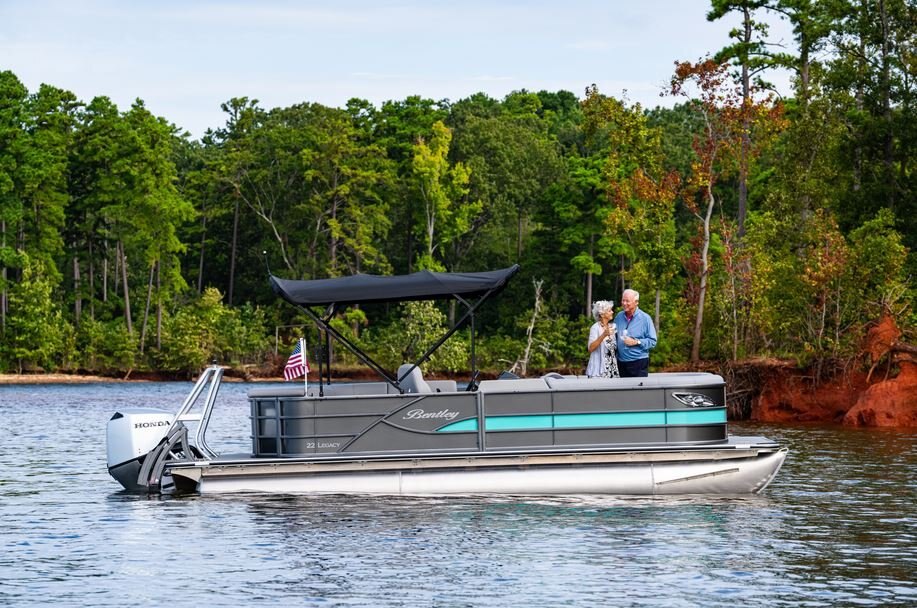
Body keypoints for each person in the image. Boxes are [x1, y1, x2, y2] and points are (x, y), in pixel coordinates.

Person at [613, 289, 657, 377]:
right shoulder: (618, 317)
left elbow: (653, 341)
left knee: (638, 391)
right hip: (620, 363)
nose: (624, 303)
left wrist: (636, 342)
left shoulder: (645, 318)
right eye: (623, 300)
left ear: (636, 302)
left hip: (638, 363)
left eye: (627, 301)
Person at [586, 300, 620, 378]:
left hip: (612, 369)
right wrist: (603, 335)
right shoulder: (595, 328)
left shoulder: (613, 326)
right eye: (609, 310)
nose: (612, 312)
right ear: (602, 314)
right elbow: (590, 348)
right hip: (598, 371)